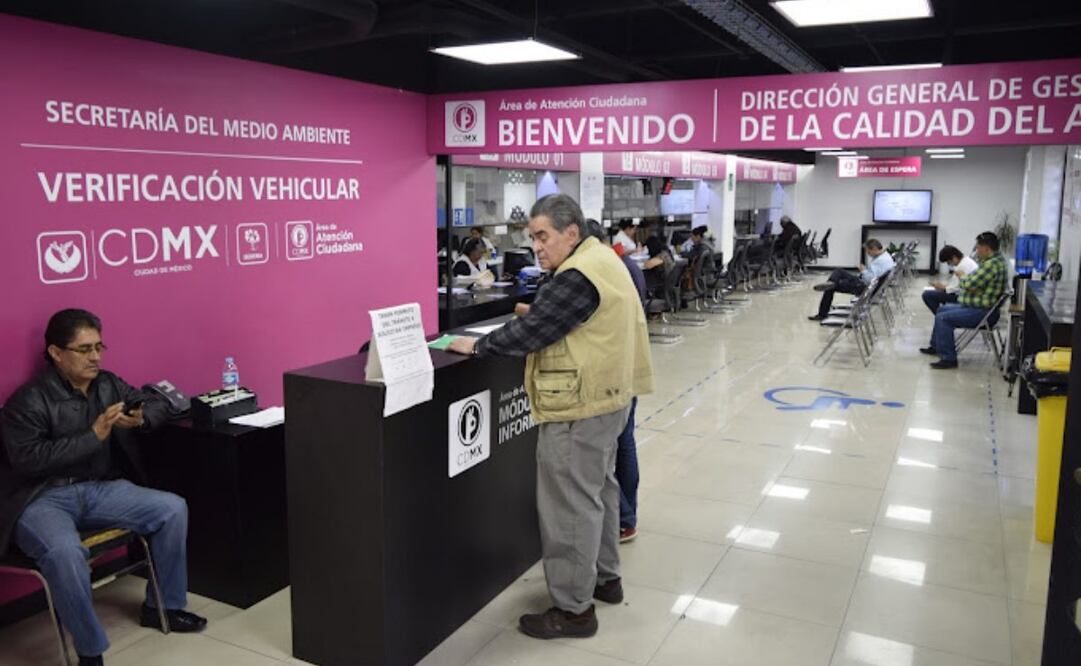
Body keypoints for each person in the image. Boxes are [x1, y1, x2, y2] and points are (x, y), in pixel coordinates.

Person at [447, 195, 653, 640]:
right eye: (532, 238)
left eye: (543, 236)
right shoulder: (601, 257)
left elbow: (533, 331)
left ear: (571, 233)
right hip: (610, 396)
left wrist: (477, 346)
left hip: (579, 406)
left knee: (568, 506)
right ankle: (605, 579)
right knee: (598, 489)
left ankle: (574, 610)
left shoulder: (577, 275)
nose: (536, 246)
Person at [0, 309, 207, 666]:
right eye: (84, 349)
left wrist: (142, 417)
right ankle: (90, 650)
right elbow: (28, 460)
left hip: (99, 489)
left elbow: (155, 402)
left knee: (172, 507)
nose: (95, 356)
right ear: (55, 352)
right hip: (41, 498)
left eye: (99, 346)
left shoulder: (107, 383)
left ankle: (165, 607)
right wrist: (92, 436)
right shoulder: (29, 400)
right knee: (65, 553)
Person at [585, 220, 645, 544]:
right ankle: (628, 516)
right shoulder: (627, 266)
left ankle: (623, 517)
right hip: (629, 365)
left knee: (611, 450)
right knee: (626, 443)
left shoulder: (604, 272)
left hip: (612, 372)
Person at [922, 232, 1007, 369]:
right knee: (941, 310)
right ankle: (937, 345)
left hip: (983, 312)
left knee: (943, 318)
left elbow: (967, 284)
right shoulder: (994, 262)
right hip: (979, 306)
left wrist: (963, 278)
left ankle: (949, 358)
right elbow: (970, 284)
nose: (977, 251)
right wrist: (966, 281)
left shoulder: (991, 265)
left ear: (986, 248)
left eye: (978, 247)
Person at [808, 238, 895, 321]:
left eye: (868, 251)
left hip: (864, 287)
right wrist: (863, 272)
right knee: (839, 271)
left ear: (874, 249)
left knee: (830, 288)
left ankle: (822, 313)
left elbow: (871, 280)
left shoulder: (881, 261)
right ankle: (832, 282)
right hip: (863, 282)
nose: (868, 254)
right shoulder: (885, 256)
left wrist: (863, 271)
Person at [922, 245, 979, 314]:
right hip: (966, 293)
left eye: (948, 262)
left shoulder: (962, 266)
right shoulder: (967, 261)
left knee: (927, 295)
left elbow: (955, 289)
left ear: (954, 258)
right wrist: (945, 287)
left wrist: (944, 288)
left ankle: (940, 315)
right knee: (936, 293)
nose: (949, 265)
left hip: (962, 296)